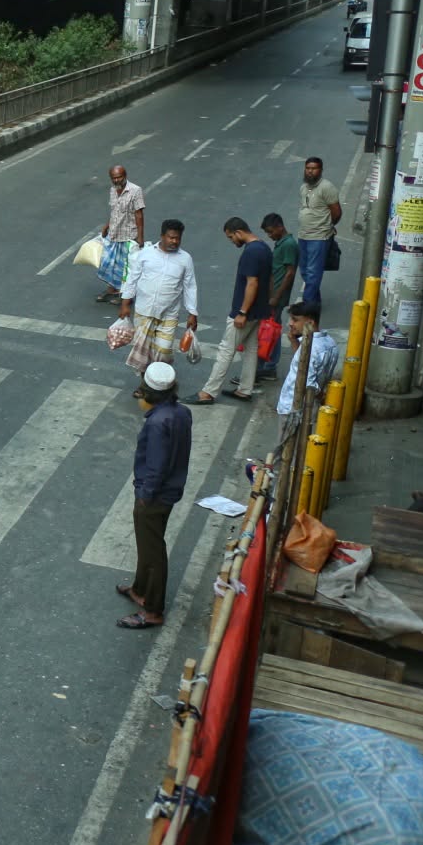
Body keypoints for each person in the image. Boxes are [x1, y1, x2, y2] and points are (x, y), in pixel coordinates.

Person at [119, 360, 192, 630]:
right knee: (147, 545)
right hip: (171, 490)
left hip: (154, 496)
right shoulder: (182, 413)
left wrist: (145, 495)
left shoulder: (157, 423)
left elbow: (157, 466)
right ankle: (140, 589)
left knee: (152, 552)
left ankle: (152, 611)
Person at [191, 217, 271, 405]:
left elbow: (252, 283)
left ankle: (208, 392)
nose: (231, 241)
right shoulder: (264, 248)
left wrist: (242, 312)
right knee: (251, 349)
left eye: (230, 237)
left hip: (245, 312)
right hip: (259, 310)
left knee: (226, 350)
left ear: (238, 232)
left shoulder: (251, 252)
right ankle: (245, 389)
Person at [120, 220, 200, 397]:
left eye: (177, 239)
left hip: (169, 314)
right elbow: (132, 278)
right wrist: (125, 303)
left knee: (163, 351)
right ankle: (145, 386)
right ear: (162, 236)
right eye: (171, 237)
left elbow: (190, 286)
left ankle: (162, 387)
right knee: (144, 352)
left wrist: (192, 313)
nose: (174, 242)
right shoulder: (146, 254)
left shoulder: (185, 259)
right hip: (144, 311)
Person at [275, 301, 341, 436]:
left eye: (295, 320)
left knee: (285, 452)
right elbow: (303, 365)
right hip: (311, 409)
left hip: (294, 409)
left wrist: (318, 393)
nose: (290, 323)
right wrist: (295, 343)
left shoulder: (312, 348)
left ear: (310, 323)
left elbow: (308, 384)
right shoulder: (330, 343)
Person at [96, 164, 146, 304]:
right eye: (114, 178)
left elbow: (139, 215)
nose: (116, 180)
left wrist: (140, 238)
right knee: (110, 263)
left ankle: (126, 296)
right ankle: (112, 289)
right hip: (114, 233)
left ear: (125, 176)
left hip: (128, 234)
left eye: (119, 177)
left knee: (126, 267)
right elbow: (115, 211)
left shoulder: (135, 191)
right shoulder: (113, 190)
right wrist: (107, 226)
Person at [296, 156, 342, 305]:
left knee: (313, 272)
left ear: (320, 170)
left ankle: (308, 306)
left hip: (320, 237)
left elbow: (336, 211)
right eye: (308, 168)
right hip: (303, 235)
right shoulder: (304, 187)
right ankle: (315, 301)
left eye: (313, 169)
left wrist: (328, 226)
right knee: (304, 270)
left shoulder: (327, 187)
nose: (310, 171)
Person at [258, 213, 297, 381]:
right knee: (271, 328)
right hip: (273, 294)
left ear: (280, 227)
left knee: (271, 330)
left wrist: (275, 296)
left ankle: (270, 365)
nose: (270, 235)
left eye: (271, 231)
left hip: (277, 297)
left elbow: (289, 273)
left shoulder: (289, 245)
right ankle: (267, 364)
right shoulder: (281, 243)